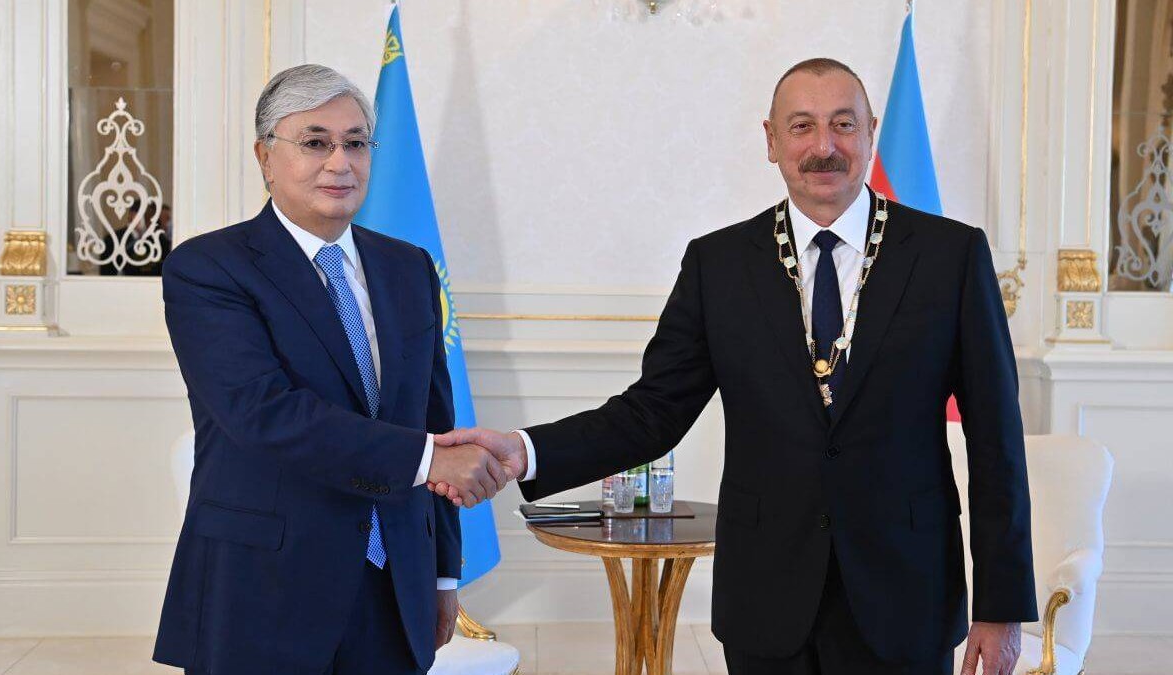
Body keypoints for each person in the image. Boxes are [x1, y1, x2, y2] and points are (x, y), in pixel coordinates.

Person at [433, 58, 1037, 675]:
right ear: (771, 141)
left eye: (843, 124)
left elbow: (997, 443)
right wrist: (525, 450)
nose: (823, 147)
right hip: (767, 598)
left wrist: (1002, 606)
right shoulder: (718, 264)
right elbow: (651, 414)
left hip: (906, 594)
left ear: (871, 132)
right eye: (801, 126)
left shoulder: (950, 256)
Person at [153, 64, 511, 675]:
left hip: (395, 581)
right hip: (264, 585)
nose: (340, 163)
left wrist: (442, 574)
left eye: (356, 143)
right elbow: (263, 414)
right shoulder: (209, 268)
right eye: (315, 142)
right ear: (266, 158)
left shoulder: (409, 268)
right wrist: (427, 459)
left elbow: (437, 423)